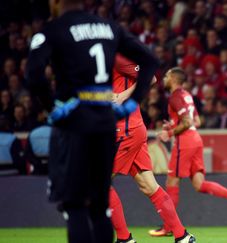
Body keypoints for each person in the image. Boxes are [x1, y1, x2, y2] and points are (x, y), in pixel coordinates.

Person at [25, 0, 158, 242]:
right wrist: (132, 102)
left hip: (75, 125)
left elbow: (33, 75)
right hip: (105, 125)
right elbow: (150, 61)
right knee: (100, 207)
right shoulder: (109, 28)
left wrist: (53, 107)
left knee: (75, 205)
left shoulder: (53, 30)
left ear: (55, 3)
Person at [150, 67, 227, 237]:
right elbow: (197, 120)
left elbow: (189, 121)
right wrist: (175, 126)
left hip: (185, 143)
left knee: (172, 182)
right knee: (199, 185)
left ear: (174, 79)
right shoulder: (187, 95)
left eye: (167, 76)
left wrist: (169, 132)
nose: (165, 78)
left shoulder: (175, 96)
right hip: (195, 139)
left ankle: (168, 227)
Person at [109, 55, 196, 243]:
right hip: (130, 128)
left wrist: (124, 95)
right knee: (149, 186)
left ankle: (124, 239)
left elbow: (150, 77)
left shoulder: (115, 57)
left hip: (125, 129)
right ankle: (182, 236)